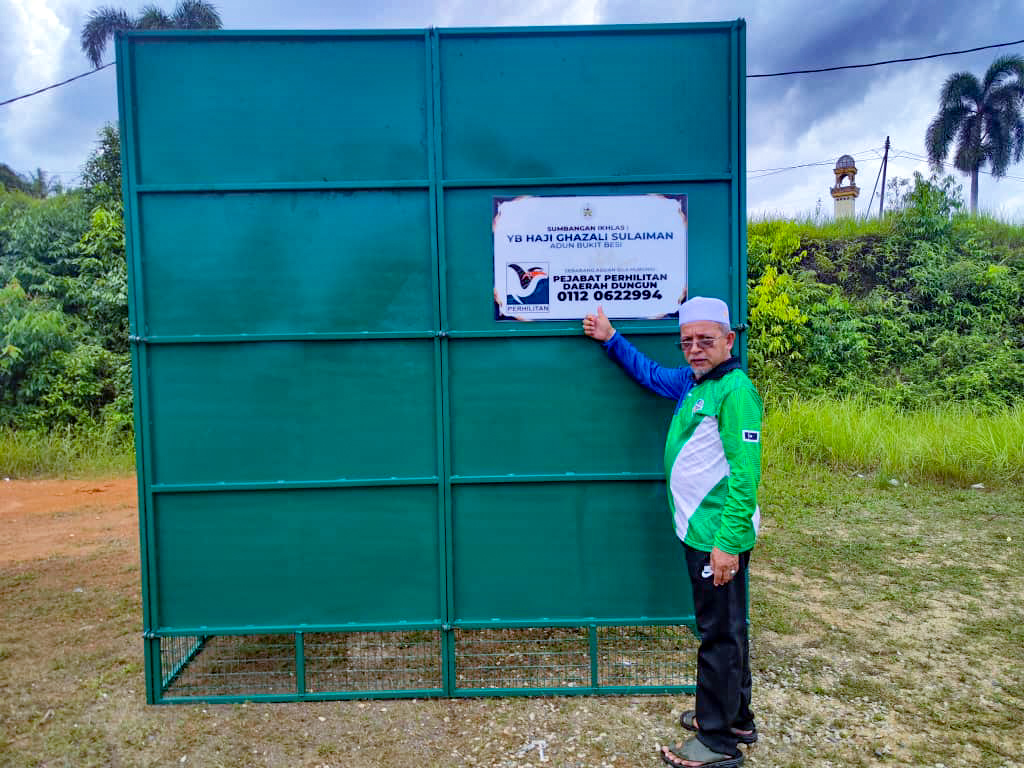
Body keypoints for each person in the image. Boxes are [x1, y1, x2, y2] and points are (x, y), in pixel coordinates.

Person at [582, 296, 763, 768]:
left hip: (715, 534)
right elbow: (652, 376)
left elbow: (745, 474)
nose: (695, 349)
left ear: (729, 339)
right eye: (687, 341)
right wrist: (612, 339)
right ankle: (735, 717)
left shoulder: (735, 390)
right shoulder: (694, 382)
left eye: (706, 340)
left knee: (717, 634)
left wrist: (727, 543)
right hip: (702, 531)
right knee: (729, 626)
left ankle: (718, 742)